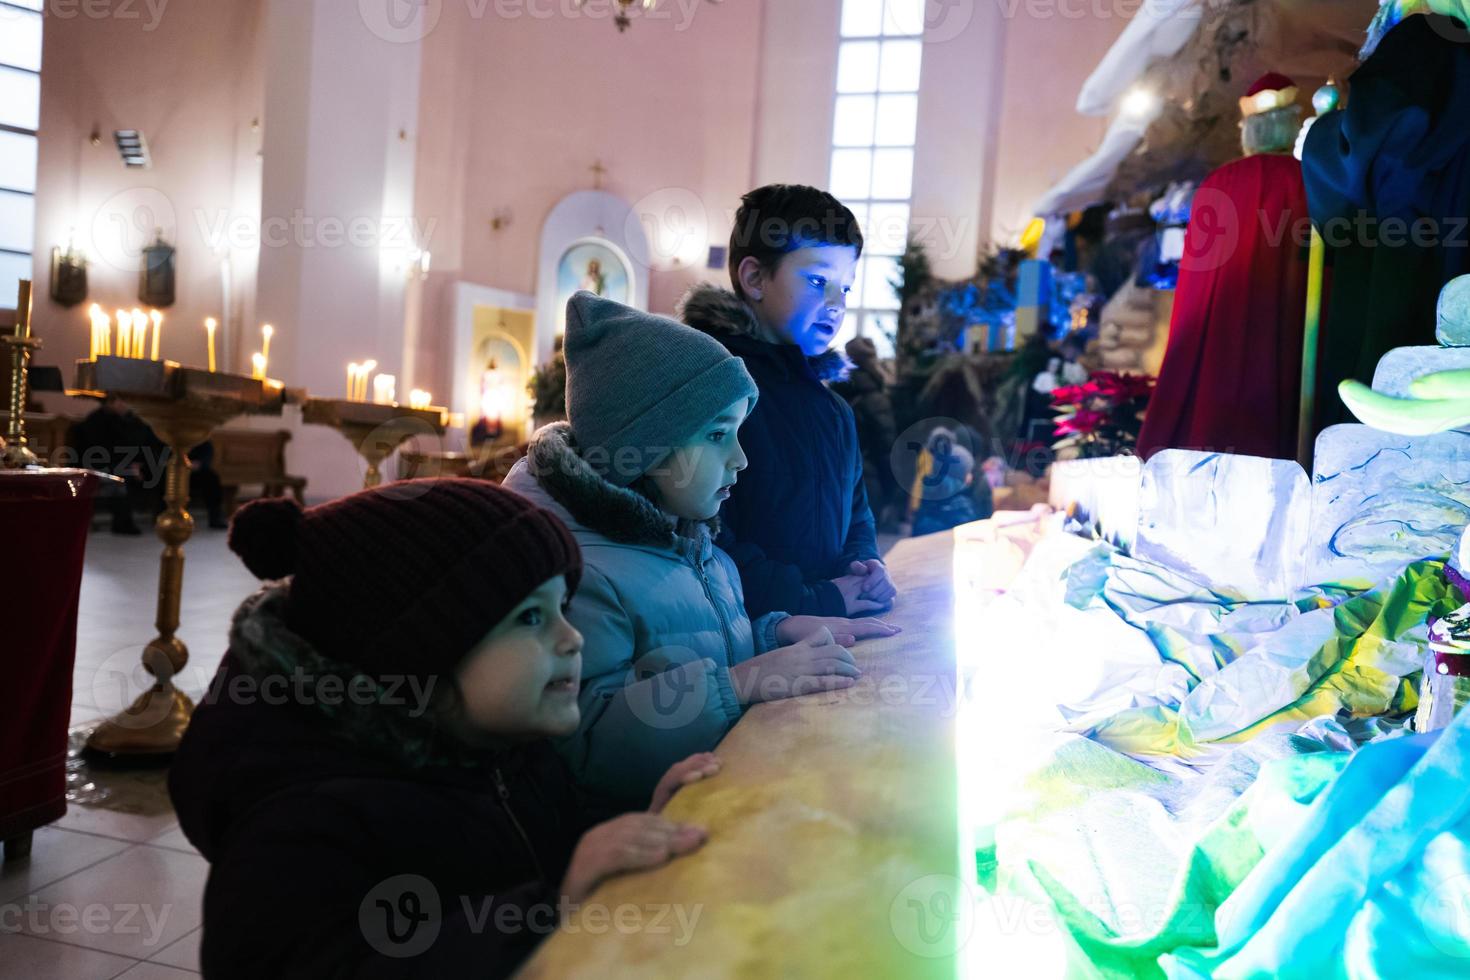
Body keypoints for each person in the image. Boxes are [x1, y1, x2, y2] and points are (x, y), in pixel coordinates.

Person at [169, 479, 721, 978]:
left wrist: (640, 827)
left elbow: (547, 854)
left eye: (563, 607)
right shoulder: (305, 822)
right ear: (422, 652)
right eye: (530, 617)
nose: (572, 637)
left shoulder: (505, 747)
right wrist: (546, 914)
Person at [502, 292, 898, 808]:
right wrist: (737, 685)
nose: (740, 459)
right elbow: (589, 741)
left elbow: (698, 645)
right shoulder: (580, 572)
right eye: (716, 434)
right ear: (643, 447)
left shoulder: (690, 538)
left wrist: (772, 631)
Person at [679, 183, 898, 619]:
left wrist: (864, 565)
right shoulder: (714, 392)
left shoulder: (834, 410)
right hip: (748, 642)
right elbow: (703, 539)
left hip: (827, 631)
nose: (837, 305)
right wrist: (814, 600)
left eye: (846, 288)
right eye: (819, 281)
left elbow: (857, 516)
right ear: (755, 278)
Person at [70, 393, 165, 534]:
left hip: (133, 463)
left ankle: (163, 517)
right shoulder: (96, 420)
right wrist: (129, 464)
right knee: (120, 475)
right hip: (103, 464)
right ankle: (122, 523)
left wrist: (140, 463)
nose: (125, 405)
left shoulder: (134, 421)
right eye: (121, 401)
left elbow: (147, 444)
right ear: (110, 403)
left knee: (162, 470)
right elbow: (99, 451)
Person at [833, 336, 899, 531]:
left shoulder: (832, 394)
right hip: (866, 481)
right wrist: (892, 490)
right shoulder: (875, 398)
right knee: (863, 549)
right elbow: (886, 448)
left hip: (832, 476)